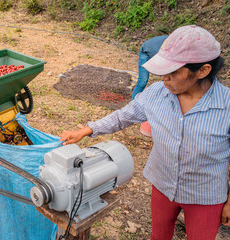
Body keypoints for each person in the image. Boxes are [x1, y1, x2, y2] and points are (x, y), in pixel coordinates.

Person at [59, 25, 230, 240]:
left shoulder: (227, 106)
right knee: (159, 235)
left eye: (173, 72)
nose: (164, 78)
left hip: (204, 195)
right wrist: (86, 130)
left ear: (203, 71)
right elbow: (123, 116)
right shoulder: (157, 94)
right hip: (163, 184)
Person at [133, 35, 167, 137]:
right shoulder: (166, 48)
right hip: (145, 52)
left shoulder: (176, 50)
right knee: (142, 81)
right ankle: (135, 106)